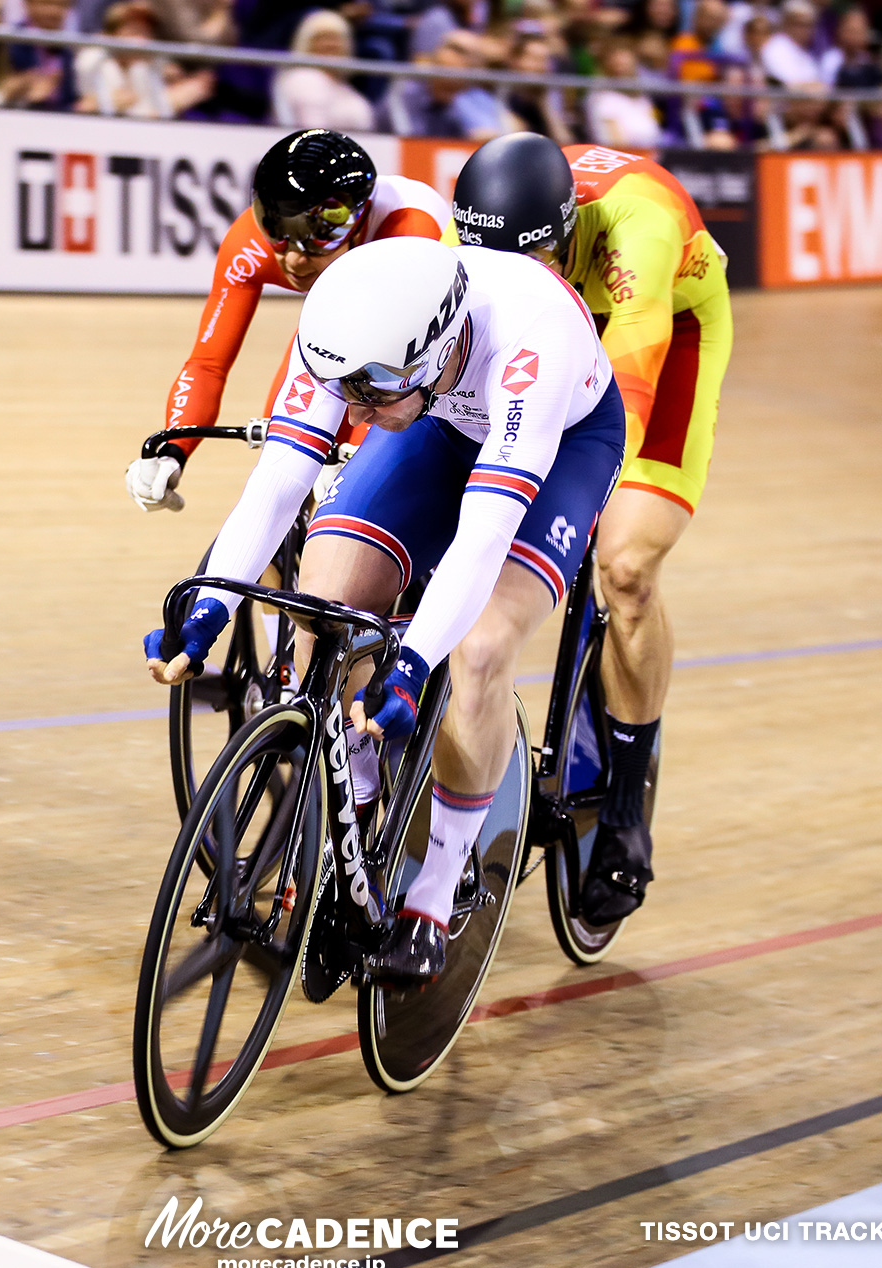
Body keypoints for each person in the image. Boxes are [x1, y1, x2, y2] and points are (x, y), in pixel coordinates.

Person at [147, 237, 626, 982]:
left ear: (436, 350)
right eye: (348, 392)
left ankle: (433, 898)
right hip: (437, 423)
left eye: (372, 391)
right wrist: (208, 611)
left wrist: (410, 663)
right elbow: (273, 489)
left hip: (562, 441)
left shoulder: (534, 340)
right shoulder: (352, 347)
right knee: (324, 600)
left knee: (481, 648)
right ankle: (356, 790)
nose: (356, 406)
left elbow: (483, 534)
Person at [449, 133, 732, 927]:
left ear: (567, 231)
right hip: (549, 329)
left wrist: (565, 495)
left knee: (625, 570)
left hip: (663, 330)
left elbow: (626, 389)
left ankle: (627, 808)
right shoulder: (467, 226)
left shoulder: (637, 228)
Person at [124, 128, 448, 513]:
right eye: (280, 238)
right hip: (337, 312)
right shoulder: (249, 243)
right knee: (282, 461)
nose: (293, 260)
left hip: (412, 338)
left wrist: (360, 458)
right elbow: (208, 363)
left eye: (316, 241)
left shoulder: (408, 233)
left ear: (359, 226)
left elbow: (403, 378)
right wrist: (172, 450)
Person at [272, 7, 376, 131]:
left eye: (336, 38)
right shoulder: (304, 78)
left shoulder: (345, 87)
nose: (331, 44)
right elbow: (313, 129)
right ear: (306, 43)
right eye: (322, 38)